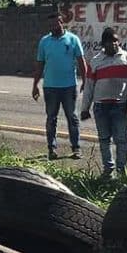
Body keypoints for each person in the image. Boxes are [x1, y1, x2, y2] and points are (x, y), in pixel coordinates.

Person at [81, 28, 127, 179]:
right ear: (103, 44)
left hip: (120, 106)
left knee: (121, 139)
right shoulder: (95, 61)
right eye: (109, 41)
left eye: (115, 40)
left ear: (118, 41)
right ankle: (108, 170)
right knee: (104, 140)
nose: (113, 44)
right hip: (101, 106)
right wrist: (84, 108)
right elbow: (89, 86)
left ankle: (121, 171)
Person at [32, 12, 86, 161]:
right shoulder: (44, 41)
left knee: (72, 117)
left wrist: (86, 81)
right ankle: (52, 149)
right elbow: (40, 64)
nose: (53, 27)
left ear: (62, 22)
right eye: (51, 25)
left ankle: (76, 148)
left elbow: (81, 62)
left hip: (69, 86)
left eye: (56, 23)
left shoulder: (73, 40)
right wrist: (35, 85)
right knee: (51, 118)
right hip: (50, 87)